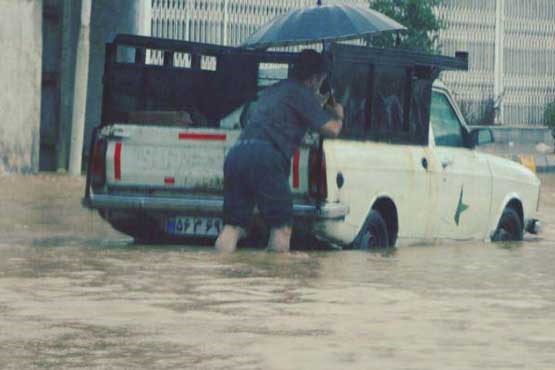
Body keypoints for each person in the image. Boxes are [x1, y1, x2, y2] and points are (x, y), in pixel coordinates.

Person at [215, 49, 344, 253]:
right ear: (313, 79)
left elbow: (284, 114)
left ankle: (217, 275)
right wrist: (338, 114)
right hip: (266, 158)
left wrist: (315, 107)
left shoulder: (274, 90)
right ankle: (276, 279)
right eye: (320, 80)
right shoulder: (302, 94)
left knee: (232, 226)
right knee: (282, 228)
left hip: (237, 155)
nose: (320, 85)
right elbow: (333, 130)